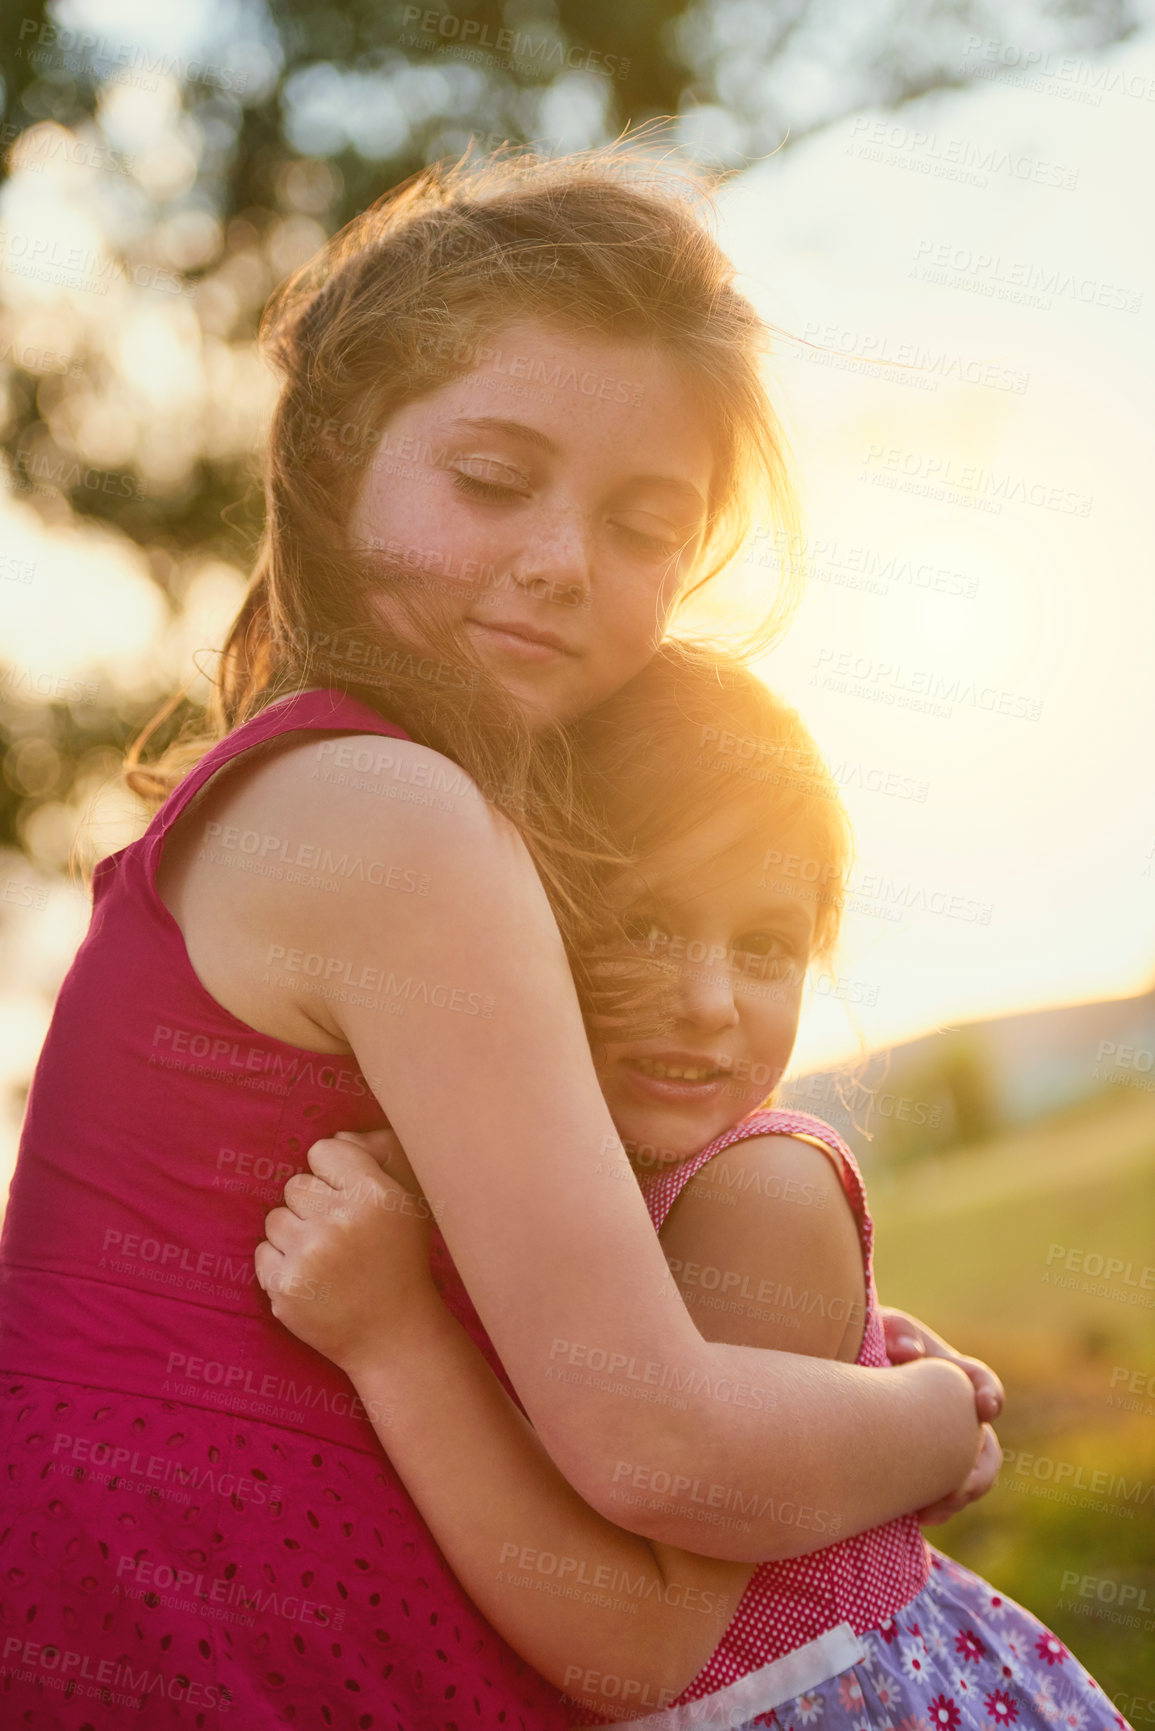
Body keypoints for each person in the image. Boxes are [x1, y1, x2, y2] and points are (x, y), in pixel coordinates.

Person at [0, 144, 994, 1727]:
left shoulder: (304, 798)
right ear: (334, 460)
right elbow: (651, 1443)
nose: (557, 563)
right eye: (489, 479)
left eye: (640, 522)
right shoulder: (394, 820)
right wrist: (930, 1417)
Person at [260, 643, 1129, 1731]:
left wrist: (393, 1334)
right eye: (647, 924)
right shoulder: (526, 1169)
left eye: (766, 946)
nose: (710, 999)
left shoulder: (761, 1190)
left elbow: (634, 1645)